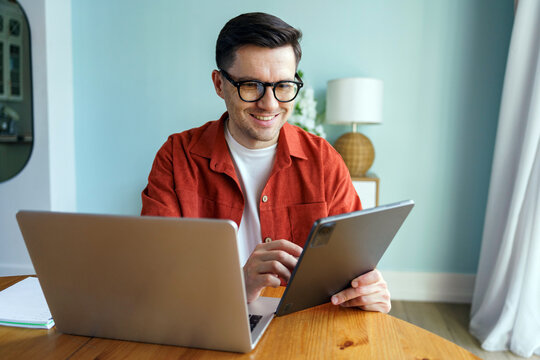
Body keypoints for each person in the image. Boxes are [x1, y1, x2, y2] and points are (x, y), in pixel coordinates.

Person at [141, 12, 391, 313]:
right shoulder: (176, 156)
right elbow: (157, 275)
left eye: (283, 86)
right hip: (205, 316)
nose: (269, 104)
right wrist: (238, 284)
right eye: (250, 85)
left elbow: (350, 271)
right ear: (219, 84)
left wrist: (366, 292)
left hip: (301, 326)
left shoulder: (324, 160)